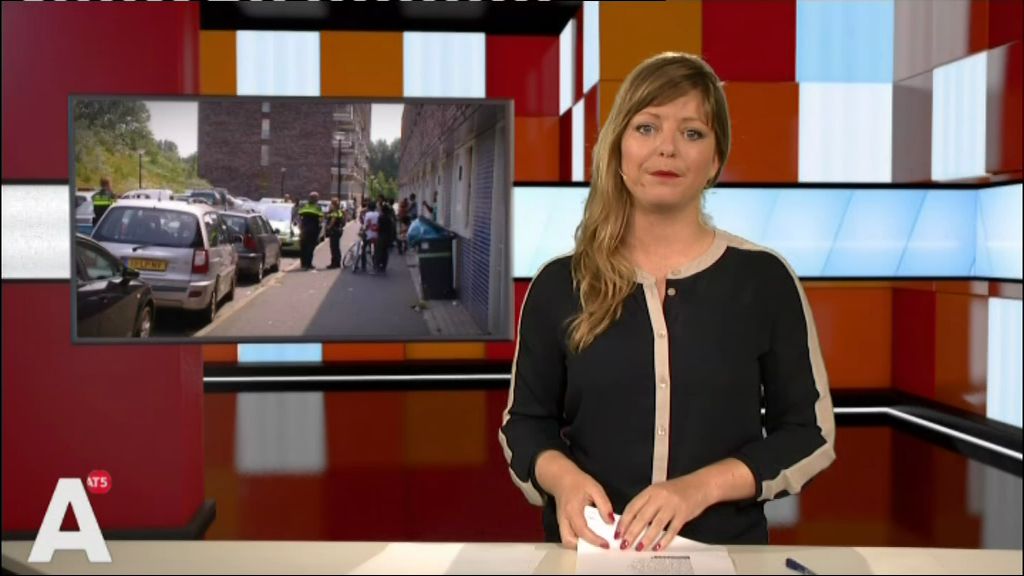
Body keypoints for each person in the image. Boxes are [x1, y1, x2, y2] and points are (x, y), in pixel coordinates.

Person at [498, 52, 836, 551]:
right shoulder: (558, 283)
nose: (668, 148)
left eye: (692, 133)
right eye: (647, 127)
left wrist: (700, 488)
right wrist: (563, 480)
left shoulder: (764, 279)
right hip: (591, 556)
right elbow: (525, 425)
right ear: (618, 148)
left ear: (715, 160)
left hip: (728, 556)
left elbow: (809, 434)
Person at [298, 191, 323, 270]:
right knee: (310, 247)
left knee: (303, 246)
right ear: (315, 199)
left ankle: (303, 264)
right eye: (317, 198)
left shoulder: (304, 206)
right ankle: (308, 264)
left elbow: (299, 217)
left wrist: (300, 227)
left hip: (304, 229)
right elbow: (321, 219)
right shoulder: (317, 207)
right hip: (313, 229)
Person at [358, 200, 380, 273]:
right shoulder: (378, 214)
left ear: (368, 207)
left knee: (363, 249)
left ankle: (363, 266)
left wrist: (362, 231)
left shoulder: (368, 214)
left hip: (368, 235)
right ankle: (375, 265)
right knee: (374, 251)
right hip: (376, 235)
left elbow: (366, 225)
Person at [375, 201, 396, 272]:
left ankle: (378, 265)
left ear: (382, 210)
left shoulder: (381, 217)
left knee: (379, 251)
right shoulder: (390, 218)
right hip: (388, 236)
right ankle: (384, 266)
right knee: (385, 251)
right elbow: (391, 228)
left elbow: (378, 227)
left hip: (381, 236)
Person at [325, 198, 344, 269]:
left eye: (331, 204)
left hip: (334, 231)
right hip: (338, 230)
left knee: (334, 247)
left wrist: (328, 227)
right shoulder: (339, 211)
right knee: (336, 247)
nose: (330, 205)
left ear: (333, 204)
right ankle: (337, 263)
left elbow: (333, 221)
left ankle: (334, 263)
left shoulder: (335, 212)